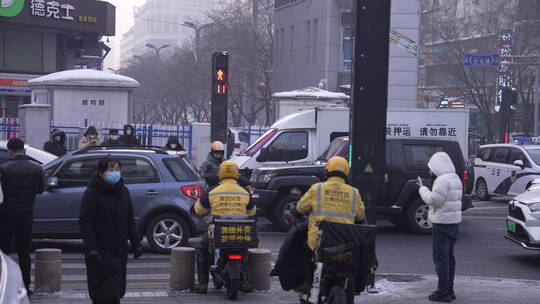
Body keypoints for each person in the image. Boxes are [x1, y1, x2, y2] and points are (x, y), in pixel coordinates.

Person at [283, 156, 365, 290]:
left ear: (326, 172)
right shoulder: (354, 193)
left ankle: (308, 282)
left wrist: (294, 214)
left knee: (304, 249)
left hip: (319, 244)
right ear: (346, 173)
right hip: (345, 244)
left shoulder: (317, 189)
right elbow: (361, 218)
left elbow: (300, 209)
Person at [79, 156, 142, 304]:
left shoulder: (123, 191)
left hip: (119, 252)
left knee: (115, 294)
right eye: (110, 169)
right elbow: (85, 224)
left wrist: (136, 242)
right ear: (101, 173)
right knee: (104, 295)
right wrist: (91, 248)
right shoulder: (92, 193)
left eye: (117, 169)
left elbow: (129, 219)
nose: (114, 172)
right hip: (101, 253)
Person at [192, 161, 256, 294]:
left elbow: (198, 211)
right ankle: (245, 281)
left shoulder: (212, 191)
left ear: (220, 174)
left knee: (203, 250)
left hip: (217, 234)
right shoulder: (245, 192)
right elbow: (252, 213)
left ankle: (203, 285)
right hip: (240, 234)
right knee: (246, 251)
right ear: (236, 174)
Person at [0, 138, 45, 296]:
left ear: (9, 151)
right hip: (26, 214)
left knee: (4, 251)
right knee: (24, 252)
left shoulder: (4, 169)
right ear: (24, 150)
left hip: (6, 215)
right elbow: (40, 190)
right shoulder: (36, 169)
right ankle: (25, 286)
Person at [418, 152, 462, 303]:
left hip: (442, 223)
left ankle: (443, 292)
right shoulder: (455, 177)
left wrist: (422, 189)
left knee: (441, 259)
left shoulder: (442, 180)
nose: (430, 171)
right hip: (454, 223)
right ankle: (449, 289)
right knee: (449, 257)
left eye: (431, 168)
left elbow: (434, 200)